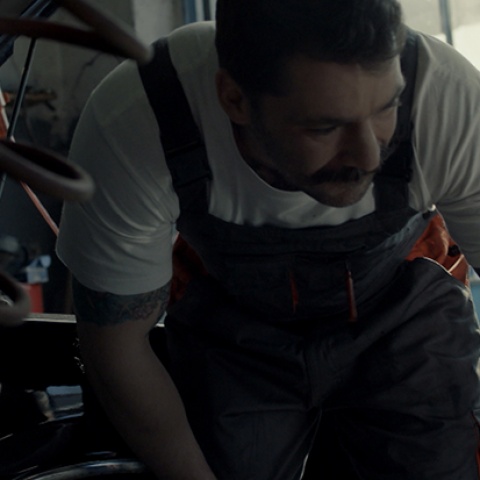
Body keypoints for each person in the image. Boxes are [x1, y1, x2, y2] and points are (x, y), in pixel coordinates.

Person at [56, 0, 480, 478]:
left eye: (386, 109)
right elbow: (116, 350)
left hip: (402, 315)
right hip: (233, 330)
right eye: (325, 126)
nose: (367, 155)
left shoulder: (447, 100)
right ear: (234, 99)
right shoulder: (141, 119)